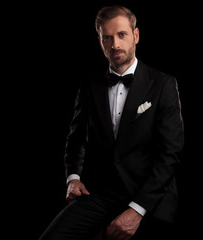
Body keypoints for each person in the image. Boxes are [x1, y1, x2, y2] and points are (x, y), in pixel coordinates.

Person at [39, 5, 184, 240]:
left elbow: (170, 153)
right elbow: (76, 139)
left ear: (135, 35)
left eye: (121, 35)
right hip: (102, 194)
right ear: (99, 40)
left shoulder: (163, 84)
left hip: (151, 198)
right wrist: (73, 178)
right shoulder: (89, 87)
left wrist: (137, 211)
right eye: (107, 37)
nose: (114, 44)